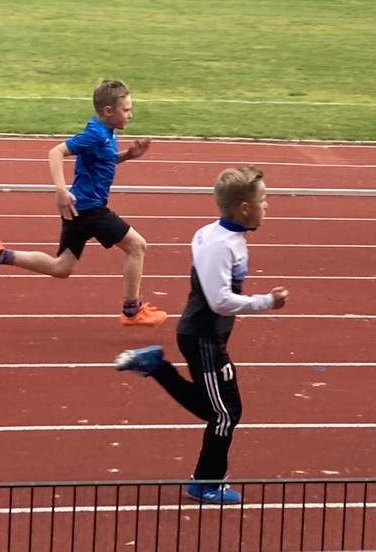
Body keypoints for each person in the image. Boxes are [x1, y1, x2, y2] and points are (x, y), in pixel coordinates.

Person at [113, 166, 288, 505]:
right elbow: (219, 301)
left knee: (217, 409)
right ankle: (205, 482)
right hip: (203, 337)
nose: (267, 205)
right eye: (263, 199)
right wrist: (266, 302)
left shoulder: (218, 235)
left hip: (207, 334)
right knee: (225, 413)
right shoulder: (221, 245)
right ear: (244, 208)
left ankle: (157, 367)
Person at [0, 78, 166, 327]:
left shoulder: (106, 131)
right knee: (137, 246)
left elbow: (102, 160)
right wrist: (61, 191)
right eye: (126, 110)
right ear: (109, 111)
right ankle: (131, 310)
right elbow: (56, 152)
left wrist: (128, 155)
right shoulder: (95, 133)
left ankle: (0, 254)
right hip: (89, 208)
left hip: (80, 210)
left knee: (61, 267)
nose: (131, 115)